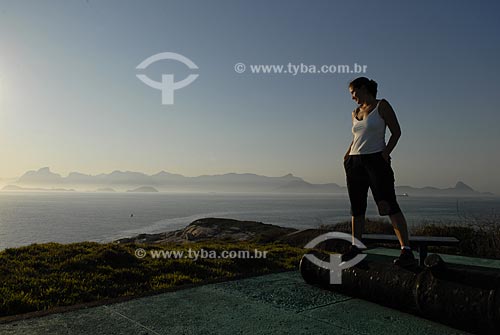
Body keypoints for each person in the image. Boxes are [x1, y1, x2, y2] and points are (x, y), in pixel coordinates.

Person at [342, 77, 417, 267]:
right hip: (354, 161)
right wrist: (347, 155)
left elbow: (396, 131)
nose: (352, 97)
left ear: (364, 88)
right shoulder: (355, 112)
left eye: (353, 92)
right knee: (356, 207)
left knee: (388, 205)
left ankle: (406, 251)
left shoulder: (381, 105)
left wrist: (385, 153)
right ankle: (356, 249)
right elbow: (358, 136)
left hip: (376, 160)